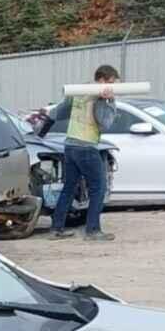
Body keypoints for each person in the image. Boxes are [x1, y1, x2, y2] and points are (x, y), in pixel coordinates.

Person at [45, 65, 119, 242]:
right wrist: (110, 101)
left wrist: (43, 126)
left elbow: (58, 112)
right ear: (102, 80)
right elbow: (105, 123)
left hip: (70, 145)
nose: (112, 86)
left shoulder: (79, 91)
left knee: (69, 187)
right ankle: (93, 230)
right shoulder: (99, 96)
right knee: (99, 188)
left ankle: (56, 228)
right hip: (86, 146)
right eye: (111, 82)